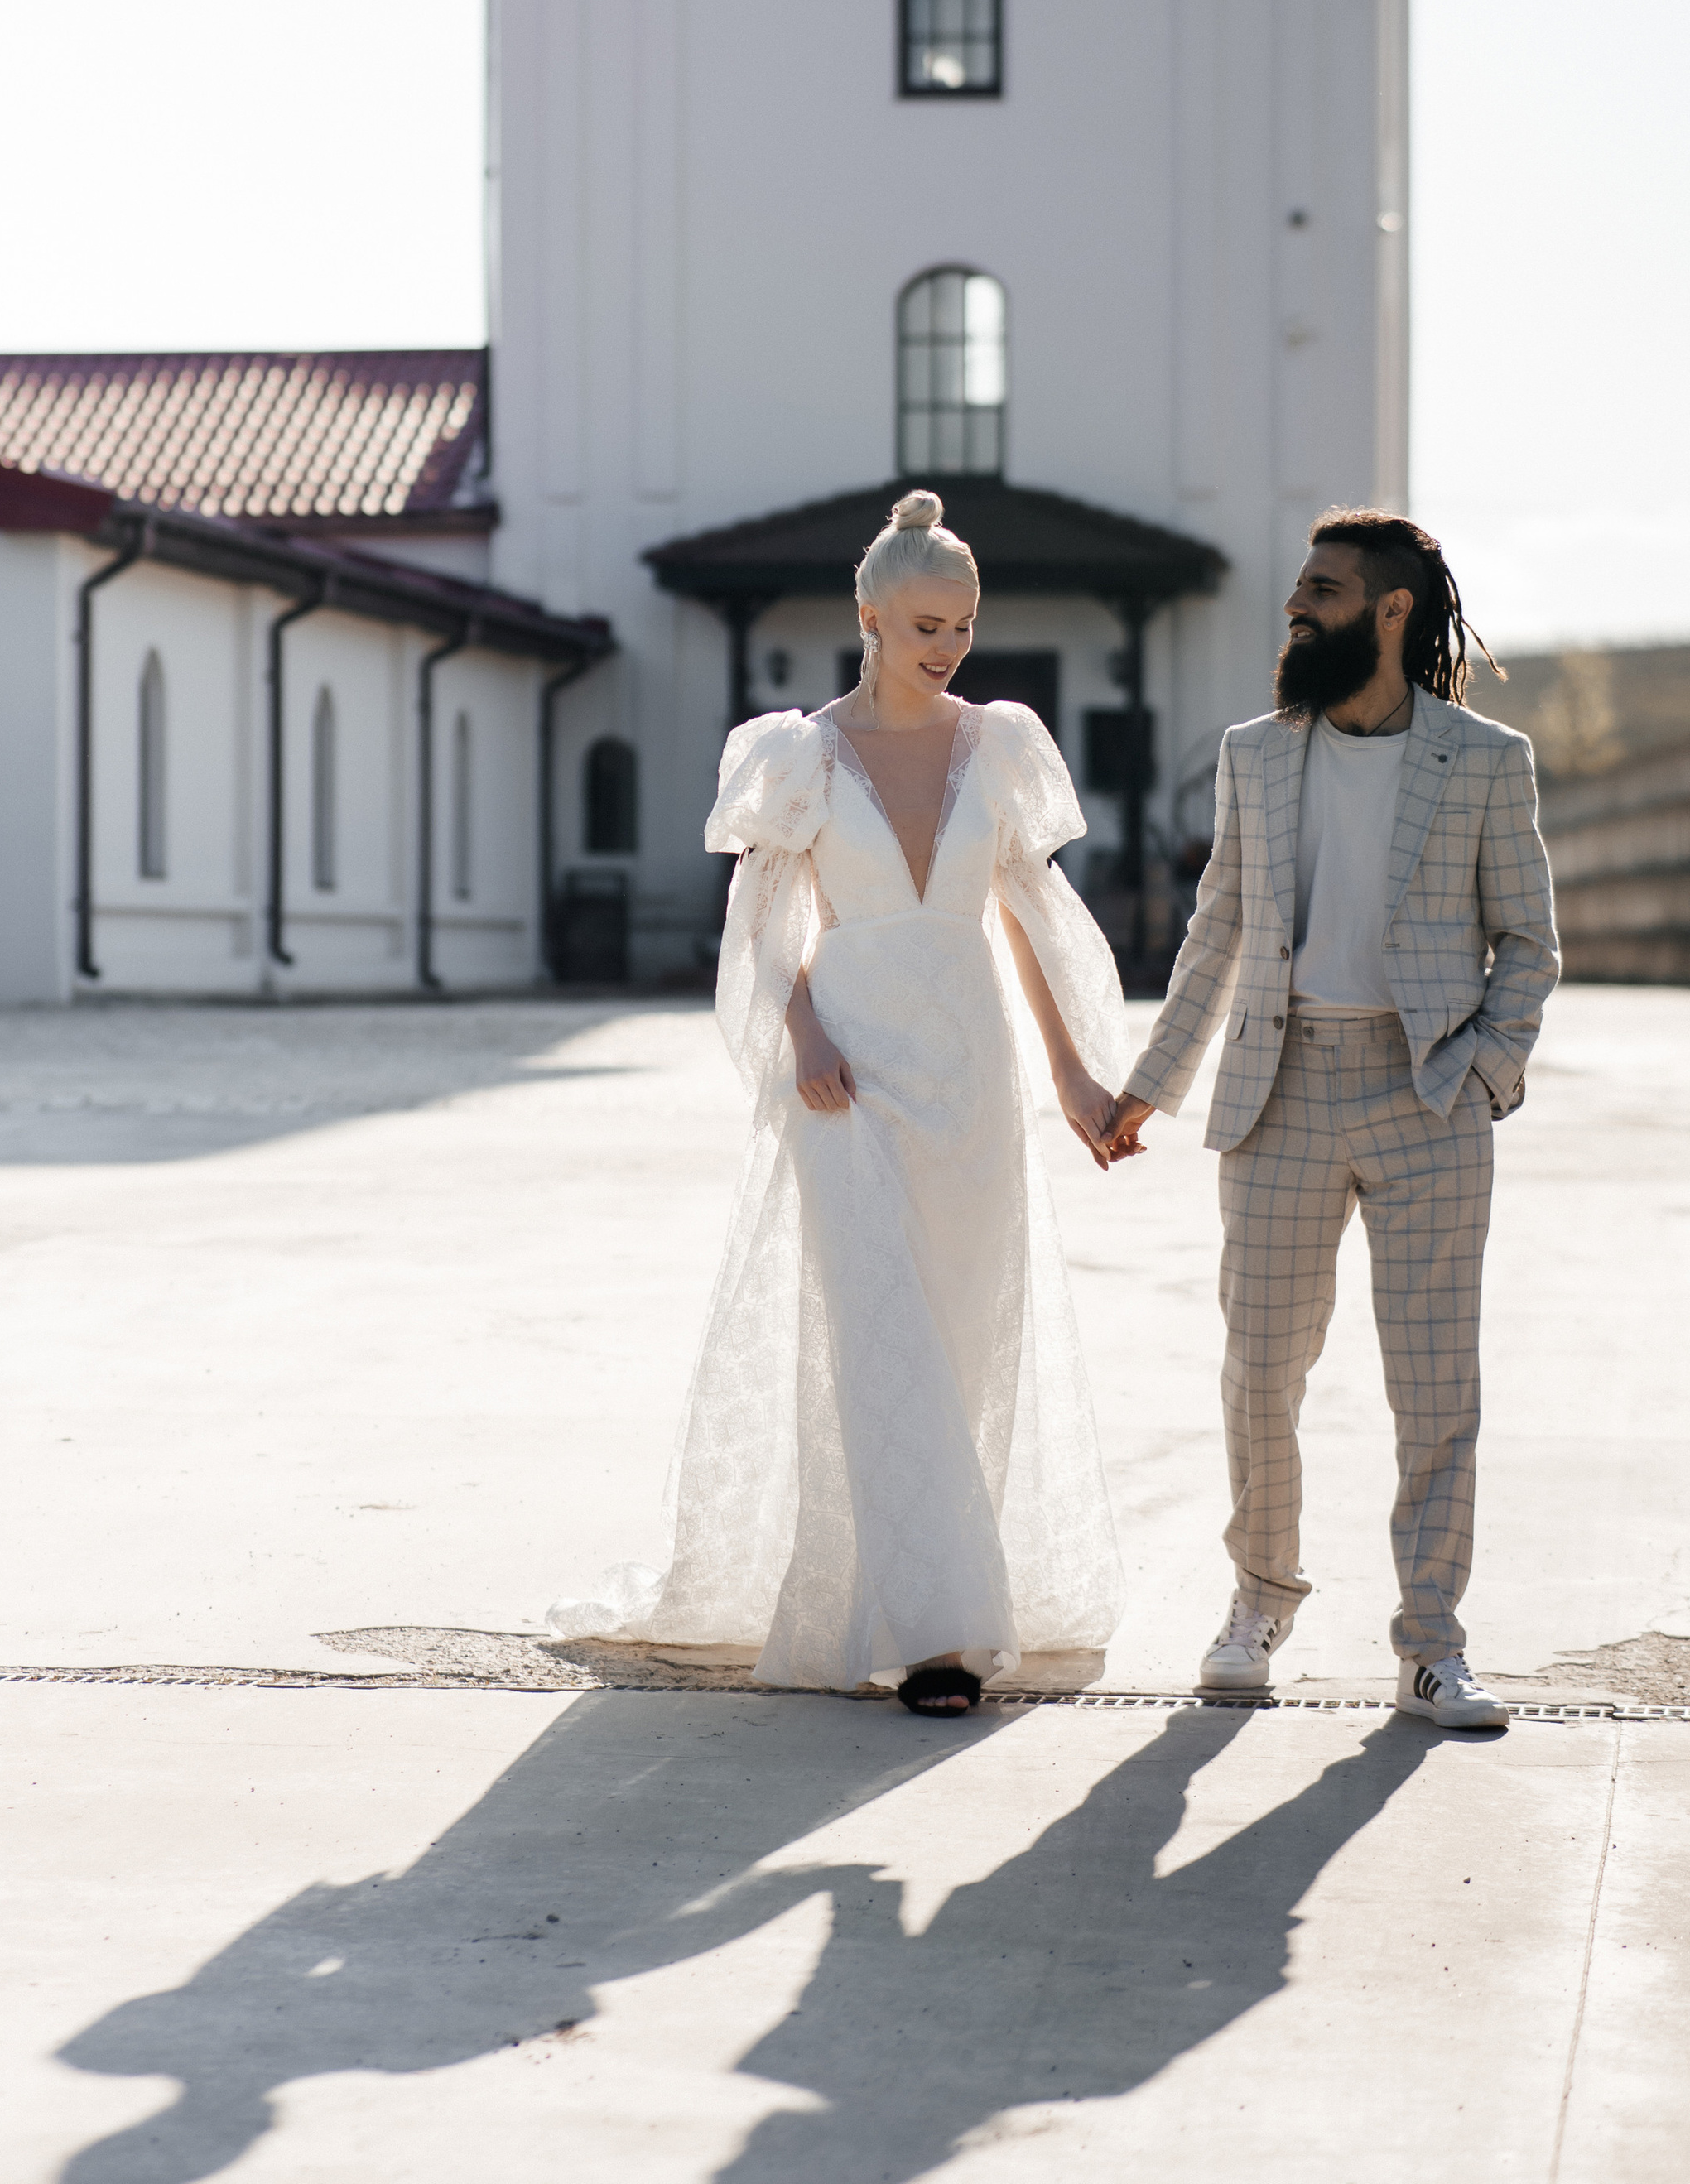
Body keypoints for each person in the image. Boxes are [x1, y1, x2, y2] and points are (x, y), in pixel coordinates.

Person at [553, 491, 1129, 1715]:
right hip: (851, 1074)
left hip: (971, 1072)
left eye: (964, 626)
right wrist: (801, 1031)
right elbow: (763, 929)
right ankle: (937, 1639)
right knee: (878, 1334)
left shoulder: (1004, 744)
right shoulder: (797, 756)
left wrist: (1074, 1072)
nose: (947, 647)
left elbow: (1025, 914)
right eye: (925, 623)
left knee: (964, 1335)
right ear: (867, 614)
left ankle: (935, 1590)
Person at [1105, 509, 1559, 1731]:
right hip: (1280, 1088)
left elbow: (1528, 944)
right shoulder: (1255, 753)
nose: (1297, 606)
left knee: (1434, 1390)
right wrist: (1148, 1083)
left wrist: (1484, 1071)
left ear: (1392, 611)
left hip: (1427, 1095)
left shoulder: (1486, 759)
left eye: (1323, 589)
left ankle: (1431, 1645)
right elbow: (1218, 926)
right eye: (1299, 587)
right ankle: (1259, 1598)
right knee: (1260, 1374)